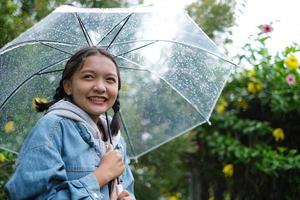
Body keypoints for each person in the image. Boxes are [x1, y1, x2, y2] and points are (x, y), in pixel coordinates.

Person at [5, 47, 135, 200]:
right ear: (68, 86)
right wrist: (100, 177)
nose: (100, 87)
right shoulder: (53, 129)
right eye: (88, 77)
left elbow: (128, 190)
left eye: (110, 80)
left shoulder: (116, 140)